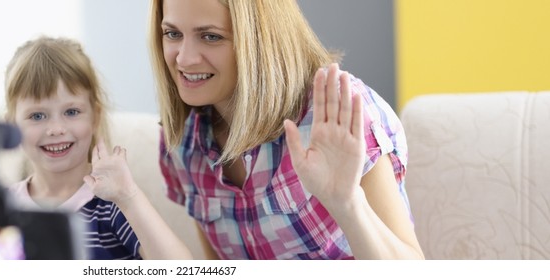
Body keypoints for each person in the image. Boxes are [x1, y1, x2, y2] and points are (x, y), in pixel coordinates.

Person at [149, 0, 424, 259]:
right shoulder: (183, 138)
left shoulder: (337, 111)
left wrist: (348, 203)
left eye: (211, 36)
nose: (184, 59)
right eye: (173, 34)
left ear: (261, 39)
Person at [4, 36, 191, 260]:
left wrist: (129, 197)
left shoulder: (113, 203)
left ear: (95, 117)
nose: (56, 129)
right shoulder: (3, 208)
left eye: (71, 112)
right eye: (37, 115)